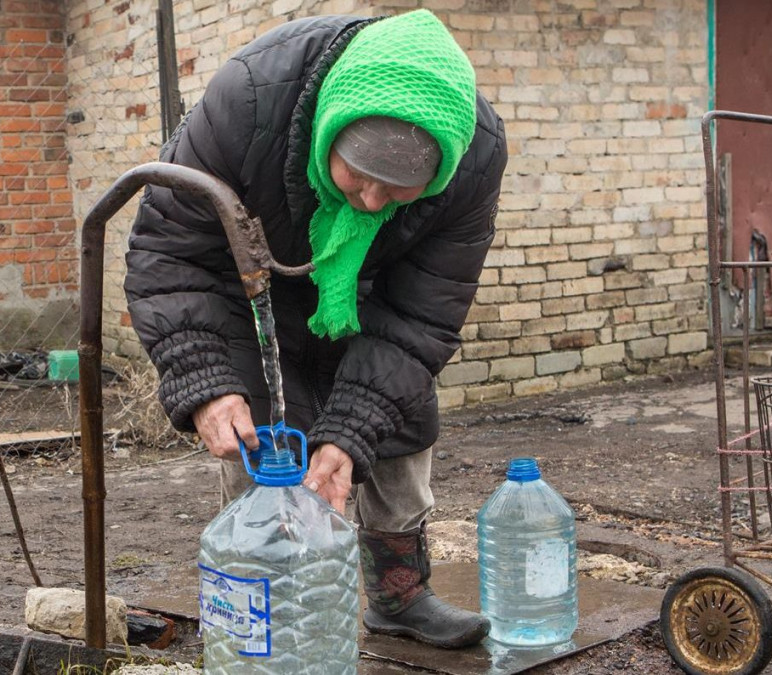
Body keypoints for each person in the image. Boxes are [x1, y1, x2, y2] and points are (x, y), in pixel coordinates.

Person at [124, 10, 506, 649]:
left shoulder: (475, 157)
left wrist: (352, 433)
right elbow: (170, 251)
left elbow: (421, 316)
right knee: (265, 450)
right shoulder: (247, 101)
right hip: (245, 294)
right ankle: (262, 607)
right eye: (360, 175)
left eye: (402, 188)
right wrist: (202, 379)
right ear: (331, 126)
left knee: (398, 421)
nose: (374, 202)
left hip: (372, 295)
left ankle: (397, 595)